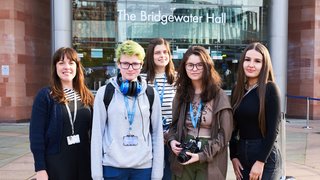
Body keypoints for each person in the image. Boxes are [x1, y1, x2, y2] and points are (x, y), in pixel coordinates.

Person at [91, 40, 164, 180]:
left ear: (142, 65)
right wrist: (97, 175)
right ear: (118, 64)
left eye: (135, 64)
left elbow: (157, 134)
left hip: (143, 168)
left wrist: (157, 174)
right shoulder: (104, 93)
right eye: (125, 63)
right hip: (112, 167)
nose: (130, 68)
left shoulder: (151, 93)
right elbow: (97, 134)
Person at [167, 46, 233, 180]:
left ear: (207, 67)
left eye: (199, 65)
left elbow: (225, 135)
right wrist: (172, 141)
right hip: (184, 150)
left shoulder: (219, 95)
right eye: (190, 65)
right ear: (184, 67)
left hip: (210, 154)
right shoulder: (181, 94)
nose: (194, 69)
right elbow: (173, 125)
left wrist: (202, 155)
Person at [29, 47, 94, 180]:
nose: (66, 67)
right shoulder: (46, 96)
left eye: (71, 63)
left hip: (84, 162)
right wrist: (40, 168)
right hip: (57, 163)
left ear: (77, 67)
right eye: (61, 63)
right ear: (55, 67)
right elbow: (36, 135)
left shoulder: (87, 96)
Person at [229, 42, 282, 180]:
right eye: (247, 60)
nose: (251, 64)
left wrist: (260, 161)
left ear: (264, 65)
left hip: (265, 155)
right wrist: (233, 156)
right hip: (242, 154)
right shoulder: (237, 89)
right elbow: (233, 128)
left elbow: (273, 131)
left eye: (257, 61)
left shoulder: (270, 89)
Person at [141, 38, 176, 180]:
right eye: (157, 53)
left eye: (165, 52)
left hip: (171, 137)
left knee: (168, 175)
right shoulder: (141, 79)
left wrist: (169, 135)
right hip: (147, 135)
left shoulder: (177, 79)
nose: (162, 55)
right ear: (151, 55)